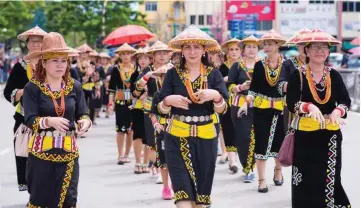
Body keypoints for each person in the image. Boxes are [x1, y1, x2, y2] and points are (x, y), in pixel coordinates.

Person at [154, 25, 228, 208]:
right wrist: (168, 101)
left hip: (206, 137)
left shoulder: (214, 74)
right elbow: (160, 108)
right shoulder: (172, 74)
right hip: (176, 136)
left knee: (201, 200)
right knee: (183, 195)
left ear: (204, 50)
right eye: (187, 47)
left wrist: (215, 96)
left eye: (196, 47)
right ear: (182, 50)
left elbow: (223, 109)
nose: (192, 51)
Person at [23, 32, 92, 208]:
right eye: (55, 60)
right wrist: (49, 121)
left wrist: (85, 122)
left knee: (69, 200)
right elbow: (29, 119)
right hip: (41, 152)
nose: (60, 65)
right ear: (44, 63)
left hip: (69, 152)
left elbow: (83, 113)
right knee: (40, 200)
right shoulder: (32, 88)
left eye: (63, 60)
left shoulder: (74, 86)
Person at [286, 29, 351, 208]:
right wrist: (308, 106)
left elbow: (346, 100)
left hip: (330, 136)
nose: (319, 50)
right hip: (305, 136)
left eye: (324, 47)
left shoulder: (334, 75)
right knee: (305, 179)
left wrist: (338, 111)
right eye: (314, 47)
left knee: (331, 177)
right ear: (306, 51)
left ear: (329, 52)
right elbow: (291, 102)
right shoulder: (297, 74)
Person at [239, 29, 287, 193]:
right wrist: (246, 103)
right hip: (261, 110)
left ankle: (278, 171)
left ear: (278, 45)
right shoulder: (260, 65)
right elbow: (253, 89)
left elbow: (292, 88)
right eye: (264, 44)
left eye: (269, 44)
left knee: (279, 143)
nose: (266, 47)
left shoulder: (287, 65)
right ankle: (261, 180)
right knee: (261, 143)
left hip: (280, 111)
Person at [3, 26, 47, 192]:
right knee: (25, 154)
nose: (36, 44)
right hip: (24, 117)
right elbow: (8, 92)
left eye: (39, 41)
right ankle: (30, 188)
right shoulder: (19, 67)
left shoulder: (50, 64)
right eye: (33, 41)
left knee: (45, 154)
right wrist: (21, 92)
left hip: (47, 116)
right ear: (27, 44)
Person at [135, 41, 174, 186]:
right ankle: (158, 168)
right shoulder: (148, 70)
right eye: (159, 53)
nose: (162, 56)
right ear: (153, 55)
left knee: (170, 140)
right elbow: (136, 90)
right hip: (152, 109)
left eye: (165, 53)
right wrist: (146, 78)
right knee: (154, 140)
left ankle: (167, 168)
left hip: (172, 109)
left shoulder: (174, 69)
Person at [228, 35, 260, 183]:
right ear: (243, 50)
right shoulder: (237, 66)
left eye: (254, 47)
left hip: (259, 105)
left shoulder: (263, 65)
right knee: (243, 137)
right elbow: (229, 87)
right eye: (249, 47)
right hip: (239, 105)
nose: (251, 49)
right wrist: (241, 87)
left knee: (258, 137)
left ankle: (259, 168)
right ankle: (248, 168)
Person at [108, 43, 137, 165]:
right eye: (123, 54)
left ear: (132, 55)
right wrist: (110, 103)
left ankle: (127, 154)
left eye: (128, 54)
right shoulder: (116, 69)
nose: (126, 56)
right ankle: (120, 155)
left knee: (130, 130)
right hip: (120, 102)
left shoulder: (136, 69)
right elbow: (111, 89)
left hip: (133, 102)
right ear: (119, 56)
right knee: (120, 130)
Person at [219, 38, 242, 173]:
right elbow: (217, 82)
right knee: (228, 129)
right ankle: (232, 160)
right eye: (231, 49)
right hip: (227, 101)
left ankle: (244, 159)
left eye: (236, 49)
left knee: (243, 131)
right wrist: (226, 79)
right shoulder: (223, 67)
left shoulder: (244, 66)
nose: (233, 52)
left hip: (243, 102)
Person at [283, 28, 311, 130]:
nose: (304, 47)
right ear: (297, 46)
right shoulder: (288, 64)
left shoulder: (318, 63)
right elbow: (280, 85)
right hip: (293, 106)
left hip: (315, 107)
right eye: (301, 44)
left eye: (307, 44)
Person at [129, 47, 151, 174]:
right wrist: (142, 94)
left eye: (146, 58)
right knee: (137, 134)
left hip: (150, 108)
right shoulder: (134, 75)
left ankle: (147, 162)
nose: (143, 60)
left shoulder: (154, 74)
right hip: (137, 107)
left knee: (148, 136)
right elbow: (132, 93)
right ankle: (138, 161)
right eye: (140, 58)